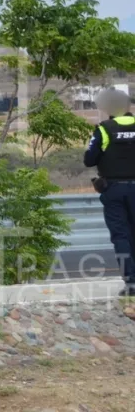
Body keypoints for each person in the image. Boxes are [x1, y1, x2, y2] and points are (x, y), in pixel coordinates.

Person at [85, 87, 135, 297]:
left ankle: (131, 283)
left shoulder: (104, 130)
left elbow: (89, 160)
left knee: (121, 236)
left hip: (113, 189)